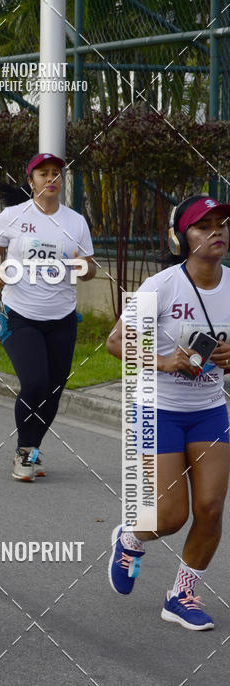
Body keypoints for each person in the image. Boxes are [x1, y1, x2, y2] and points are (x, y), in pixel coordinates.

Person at [107, 194, 230, 630]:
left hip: (210, 409)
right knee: (170, 516)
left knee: (212, 508)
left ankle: (182, 593)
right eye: (202, 225)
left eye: (221, 223)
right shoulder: (161, 286)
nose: (216, 231)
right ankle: (129, 536)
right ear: (182, 238)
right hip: (157, 407)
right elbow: (116, 343)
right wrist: (166, 361)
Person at [0, 152, 96, 481]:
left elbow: (88, 268)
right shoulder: (13, 216)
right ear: (31, 181)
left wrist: (80, 266)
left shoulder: (75, 221)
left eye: (56, 174)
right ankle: (24, 450)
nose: (51, 179)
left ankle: (32, 450)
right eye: (43, 173)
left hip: (61, 317)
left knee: (54, 389)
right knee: (34, 383)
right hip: (21, 314)